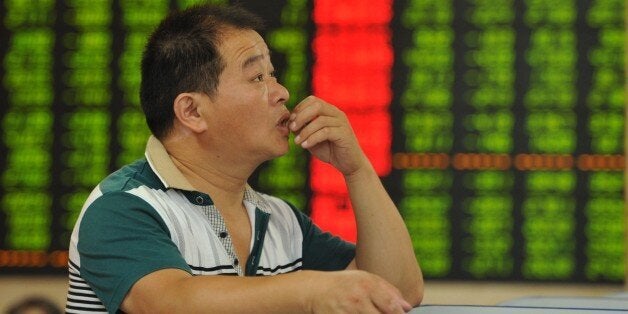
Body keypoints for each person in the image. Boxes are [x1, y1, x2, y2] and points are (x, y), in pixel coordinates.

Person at [65, 4, 423, 313]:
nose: (282, 92)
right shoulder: (122, 206)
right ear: (192, 111)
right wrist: (311, 291)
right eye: (256, 77)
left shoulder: (280, 219)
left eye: (273, 74)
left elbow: (397, 292)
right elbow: (170, 301)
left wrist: (356, 168)